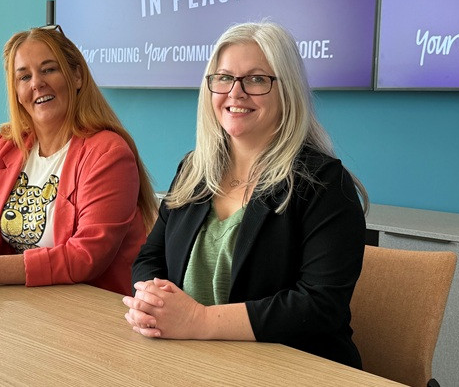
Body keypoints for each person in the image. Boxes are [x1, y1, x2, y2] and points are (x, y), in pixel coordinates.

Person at [124, 22, 368, 368]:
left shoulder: (325, 184)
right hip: (190, 360)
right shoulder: (194, 170)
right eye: (223, 78)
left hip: (291, 369)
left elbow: (319, 306)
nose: (235, 93)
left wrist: (198, 321)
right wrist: (151, 300)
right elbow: (150, 258)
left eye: (256, 79)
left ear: (288, 92)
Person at [0, 25, 157, 295]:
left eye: (49, 69)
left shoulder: (108, 153)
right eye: (24, 76)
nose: (36, 83)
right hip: (22, 301)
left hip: (92, 310)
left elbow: (84, 257)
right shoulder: (6, 145)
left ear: (77, 76)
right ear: (16, 90)